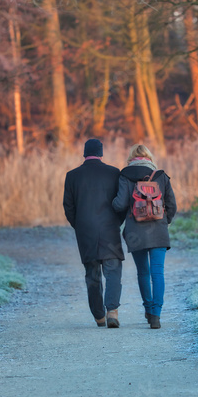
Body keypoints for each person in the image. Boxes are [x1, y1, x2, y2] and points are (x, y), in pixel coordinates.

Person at [112, 144, 177, 329]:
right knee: (158, 272)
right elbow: (172, 205)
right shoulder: (161, 176)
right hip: (158, 231)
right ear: (149, 157)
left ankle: (148, 310)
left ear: (132, 158)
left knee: (143, 272)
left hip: (136, 232)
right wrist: (165, 221)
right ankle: (156, 315)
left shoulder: (125, 175)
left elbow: (119, 204)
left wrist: (112, 202)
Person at [63, 139, 125, 328]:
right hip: (109, 229)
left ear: (84, 153)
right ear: (101, 153)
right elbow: (121, 203)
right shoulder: (114, 173)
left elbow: (68, 207)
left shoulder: (72, 176)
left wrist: (79, 225)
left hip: (85, 231)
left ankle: (99, 316)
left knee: (92, 274)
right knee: (113, 271)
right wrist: (117, 222)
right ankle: (112, 312)